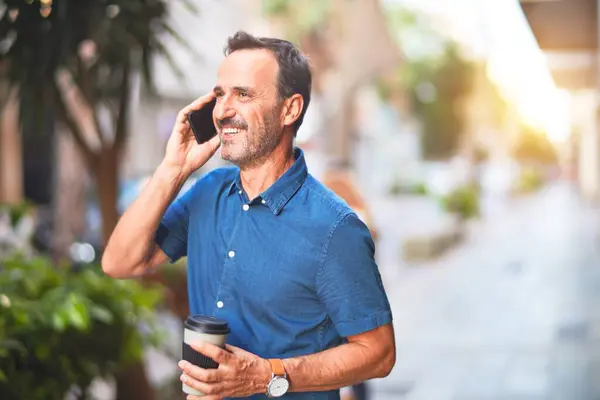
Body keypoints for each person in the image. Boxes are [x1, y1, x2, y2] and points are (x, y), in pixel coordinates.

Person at [102, 31, 395, 400]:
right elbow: (118, 263)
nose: (223, 110)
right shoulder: (207, 193)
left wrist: (265, 376)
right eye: (220, 94)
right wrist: (172, 168)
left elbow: (379, 353)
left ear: (290, 109)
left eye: (243, 94)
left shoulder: (335, 227)